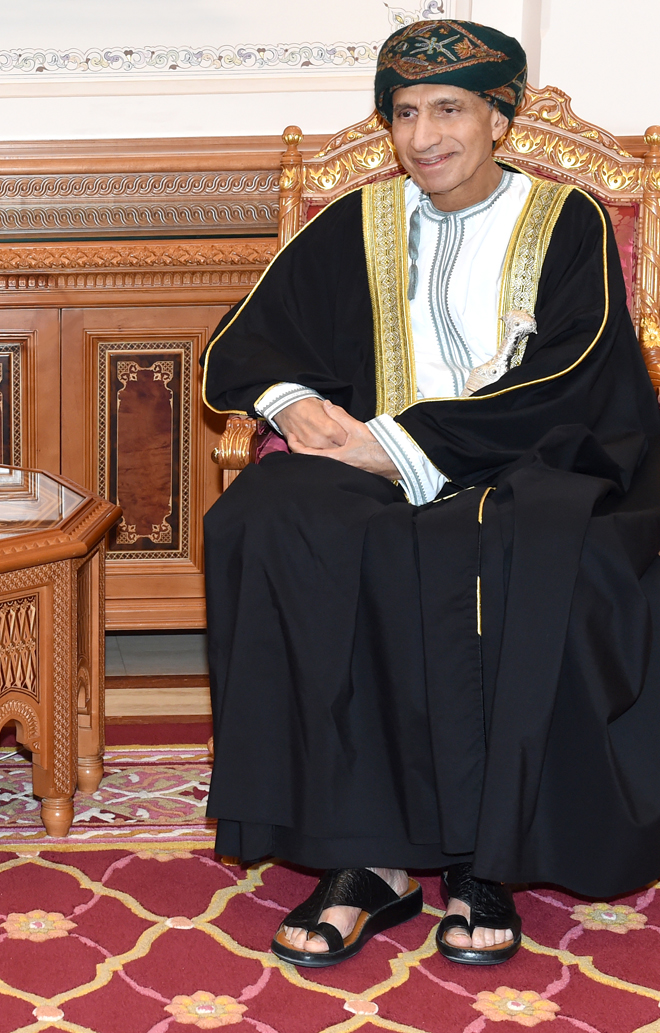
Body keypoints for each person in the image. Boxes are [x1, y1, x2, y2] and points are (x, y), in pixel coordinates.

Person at [201, 18, 660, 969]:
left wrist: (407, 448)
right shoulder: (359, 221)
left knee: (502, 547)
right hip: (373, 453)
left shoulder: (565, 219)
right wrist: (296, 403)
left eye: (448, 110)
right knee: (268, 516)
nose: (424, 136)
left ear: (500, 119)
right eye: (405, 114)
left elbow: (573, 373)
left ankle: (482, 861)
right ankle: (366, 858)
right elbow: (245, 341)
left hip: (530, 458)